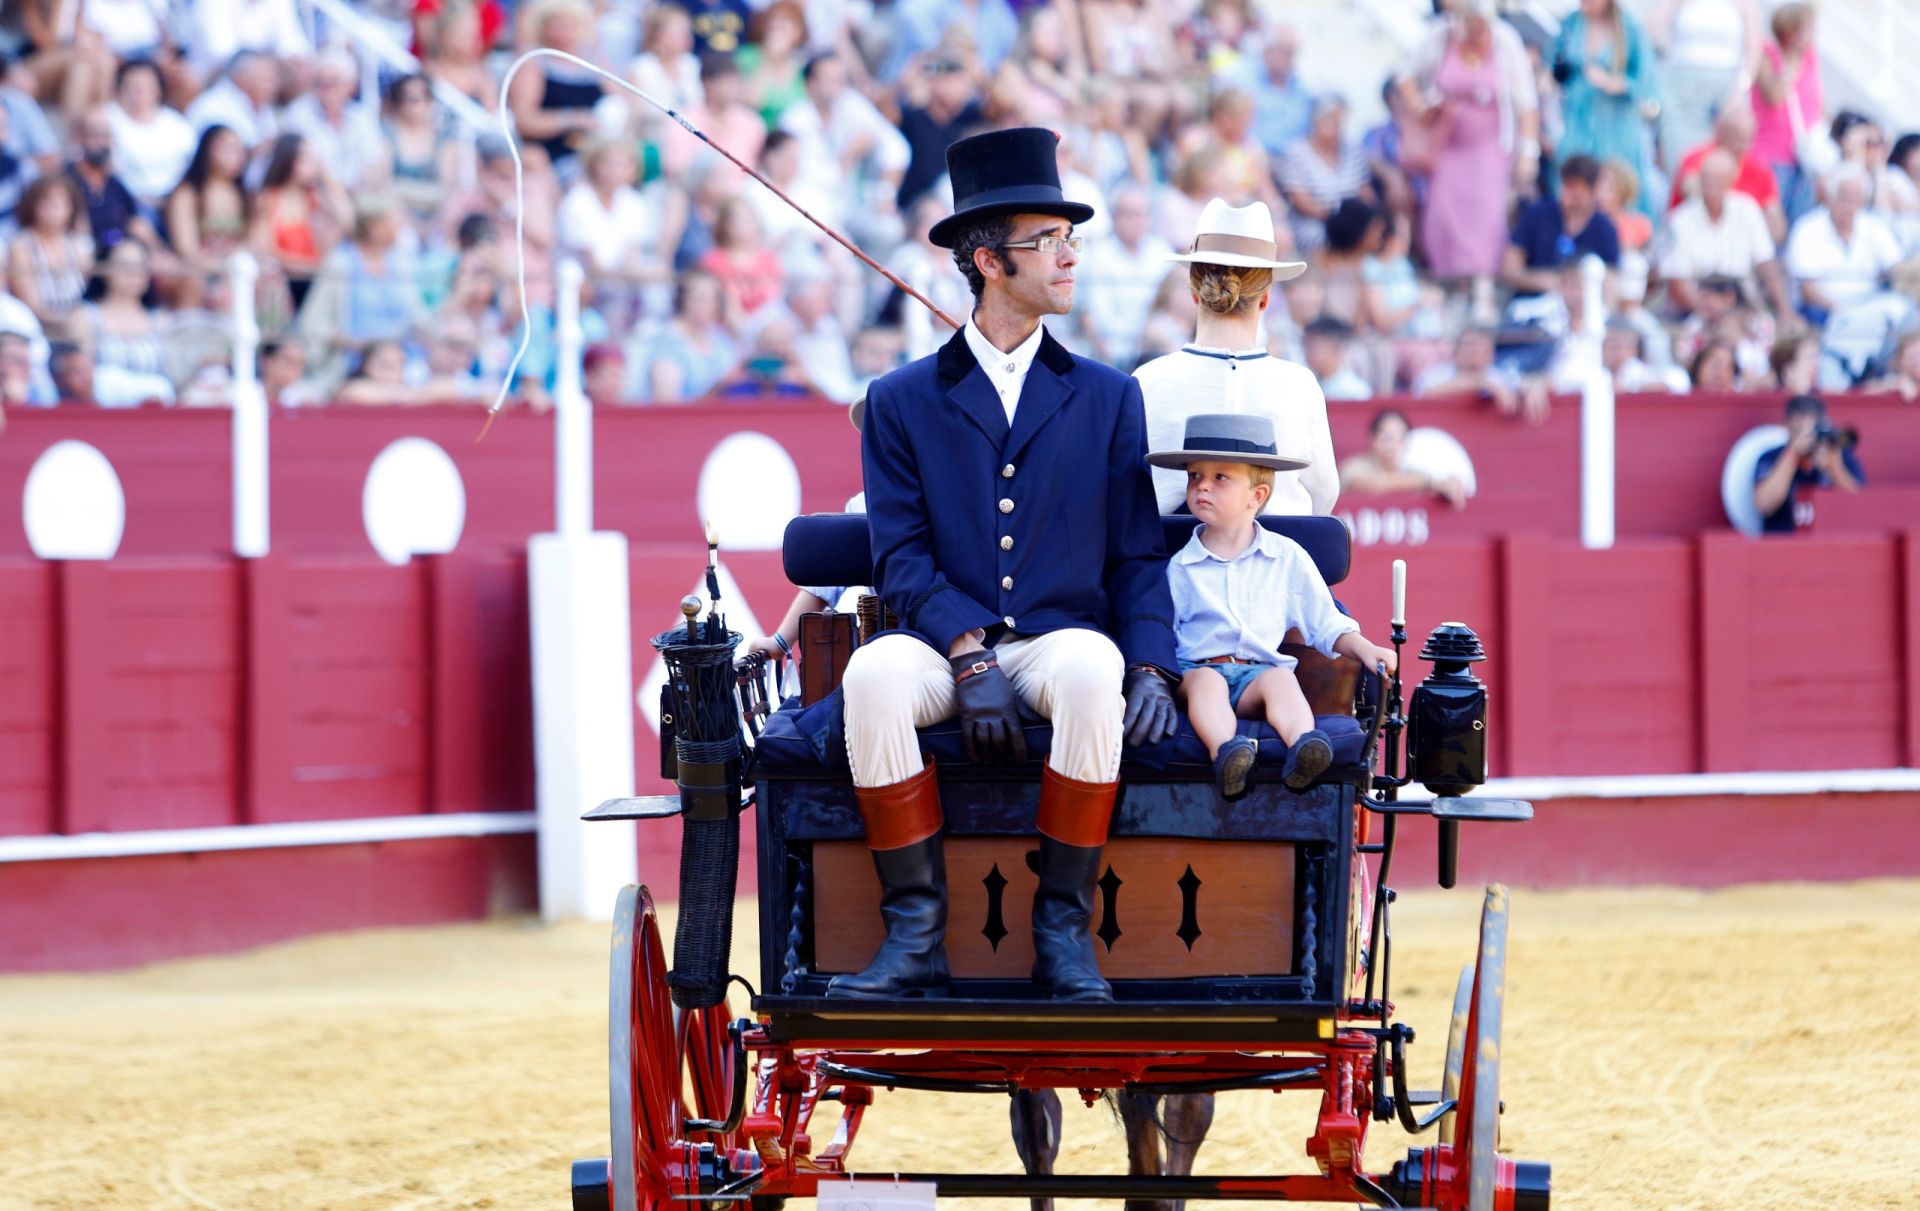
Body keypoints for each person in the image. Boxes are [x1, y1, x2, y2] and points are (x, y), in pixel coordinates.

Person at [828, 127, 1180, 1003]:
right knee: (871, 674)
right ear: (988, 260)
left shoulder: (1109, 394)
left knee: (1097, 670)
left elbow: (1137, 554)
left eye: (1072, 240)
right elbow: (900, 559)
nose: (1069, 257)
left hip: (1061, 643)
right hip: (944, 647)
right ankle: (914, 933)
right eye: (1048, 242)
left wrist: (1154, 667)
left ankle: (1062, 933)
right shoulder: (900, 399)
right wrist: (968, 649)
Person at [1150, 412, 1397, 798]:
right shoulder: (1179, 567)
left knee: (1281, 678)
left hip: (1257, 676)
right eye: (1195, 476)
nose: (1202, 487)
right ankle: (1227, 754)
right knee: (1207, 684)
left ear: (1257, 495)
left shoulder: (1286, 558)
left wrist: (1368, 649)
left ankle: (1305, 747)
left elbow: (1327, 624)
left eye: (1220, 478)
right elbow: (1164, 636)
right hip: (1197, 669)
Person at [1135, 198, 1334, 517]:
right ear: (1266, 299)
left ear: (1194, 293)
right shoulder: (1300, 385)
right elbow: (1323, 496)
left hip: (1163, 562)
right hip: (1276, 560)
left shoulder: (1146, 381)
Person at [1397, 0, 1541, 284]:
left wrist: (1528, 152)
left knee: (1484, 217)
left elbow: (1526, 103)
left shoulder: (1505, 41)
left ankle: (1481, 285)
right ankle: (1449, 283)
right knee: (1442, 216)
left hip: (1489, 146)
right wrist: (1422, 108)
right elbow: (1406, 78)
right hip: (1448, 146)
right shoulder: (1440, 37)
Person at [1551, 0, 1657, 216]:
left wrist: (1612, 83)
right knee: (1573, 182)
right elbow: (1554, 65)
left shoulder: (1630, 28)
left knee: (1614, 188)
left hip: (1615, 125)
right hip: (1578, 121)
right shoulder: (1571, 23)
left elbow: (1647, 83)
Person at [1661, 147, 1790, 316]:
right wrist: (1711, 311)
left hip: (1743, 306)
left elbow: (1766, 262)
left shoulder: (1747, 210)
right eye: (1707, 181)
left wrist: (1785, 312)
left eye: (1718, 182)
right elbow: (1677, 282)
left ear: (1731, 181)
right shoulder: (1679, 220)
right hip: (1694, 311)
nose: (1711, 188)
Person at [1651, 0, 1761, 175]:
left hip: (1727, 92)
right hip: (1681, 92)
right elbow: (1652, 34)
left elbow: (1754, 53)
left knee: (1723, 167)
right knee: (1680, 164)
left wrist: (1739, 93)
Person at [1502, 154, 1620, 296]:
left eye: (1576, 196)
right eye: (1565, 189)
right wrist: (1547, 281)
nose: (1567, 200)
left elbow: (1611, 282)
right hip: (1532, 306)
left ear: (1593, 192)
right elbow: (1509, 269)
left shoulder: (1604, 229)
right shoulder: (1538, 214)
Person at [1669, 102, 1786, 242]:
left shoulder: (1760, 169)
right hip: (1696, 239)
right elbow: (1690, 189)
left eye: (1749, 139)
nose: (1744, 146)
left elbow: (1776, 227)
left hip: (1739, 247)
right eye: (1737, 138)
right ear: (1720, 133)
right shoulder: (1697, 158)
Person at [1749, 1, 1820, 223]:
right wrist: (1790, 65)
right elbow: (1774, 96)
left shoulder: (1810, 57)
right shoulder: (1767, 54)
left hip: (1805, 154)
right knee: (1771, 220)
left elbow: (1817, 101)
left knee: (1800, 217)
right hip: (1771, 154)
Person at [1751, 393, 1862, 533]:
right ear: (1787, 425)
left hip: (1830, 544)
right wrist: (1792, 454)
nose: (1808, 435)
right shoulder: (1770, 458)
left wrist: (1834, 469)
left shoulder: (1838, 457)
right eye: (1799, 429)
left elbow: (1859, 507)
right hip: (1782, 545)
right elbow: (1764, 505)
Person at [1338, 407, 1470, 508]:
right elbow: (1376, 484)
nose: (1393, 445)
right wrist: (1430, 483)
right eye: (1388, 438)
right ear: (1373, 438)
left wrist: (1446, 484)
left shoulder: (1411, 472)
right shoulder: (1354, 467)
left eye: (1400, 439)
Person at [1301, 315, 1370, 401]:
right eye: (1305, 345)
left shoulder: (1354, 392)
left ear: (1336, 349)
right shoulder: (1305, 385)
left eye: (1313, 347)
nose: (1307, 352)